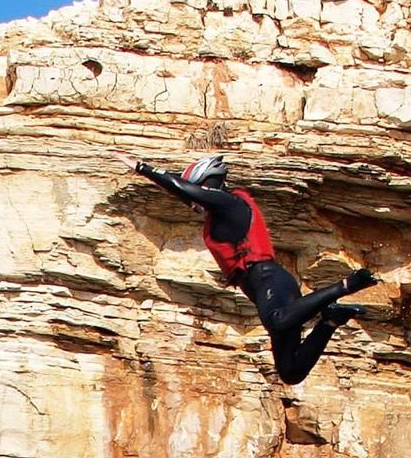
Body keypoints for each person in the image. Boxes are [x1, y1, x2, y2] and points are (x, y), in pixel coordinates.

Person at [114, 151, 377, 385]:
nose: (193, 206)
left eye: (195, 194)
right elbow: (186, 192)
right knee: (290, 371)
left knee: (278, 320)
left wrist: (141, 167)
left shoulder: (230, 203)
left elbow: (185, 190)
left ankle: (345, 286)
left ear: (206, 183)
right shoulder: (221, 211)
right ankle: (330, 320)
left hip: (269, 280)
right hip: (269, 285)